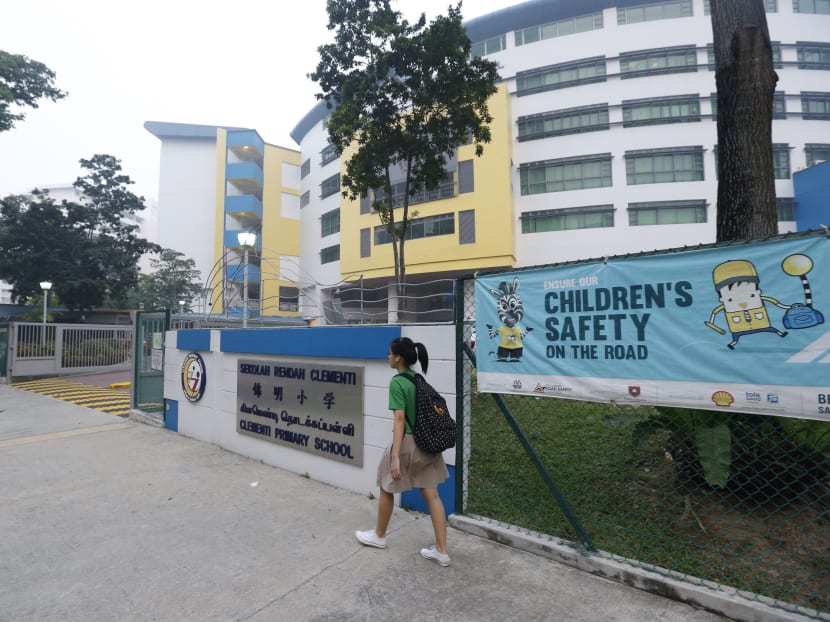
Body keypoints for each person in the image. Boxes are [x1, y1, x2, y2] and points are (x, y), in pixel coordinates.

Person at [355, 337, 451, 566]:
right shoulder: (418, 379)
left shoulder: (398, 382)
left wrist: (395, 456)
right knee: (433, 495)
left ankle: (379, 536)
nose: (387, 356)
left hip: (407, 442)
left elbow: (399, 419)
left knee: (387, 486)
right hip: (428, 443)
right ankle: (442, 551)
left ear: (398, 357)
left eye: (389, 353)